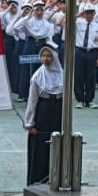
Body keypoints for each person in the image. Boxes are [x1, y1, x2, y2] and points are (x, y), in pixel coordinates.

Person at [23, 42, 64, 186]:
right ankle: (37, 181)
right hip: (43, 115)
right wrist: (30, 124)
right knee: (41, 149)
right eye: (43, 56)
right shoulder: (37, 77)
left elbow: (68, 100)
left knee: (57, 146)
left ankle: (56, 180)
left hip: (58, 114)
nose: (45, 59)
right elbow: (32, 102)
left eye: (49, 56)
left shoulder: (63, 76)